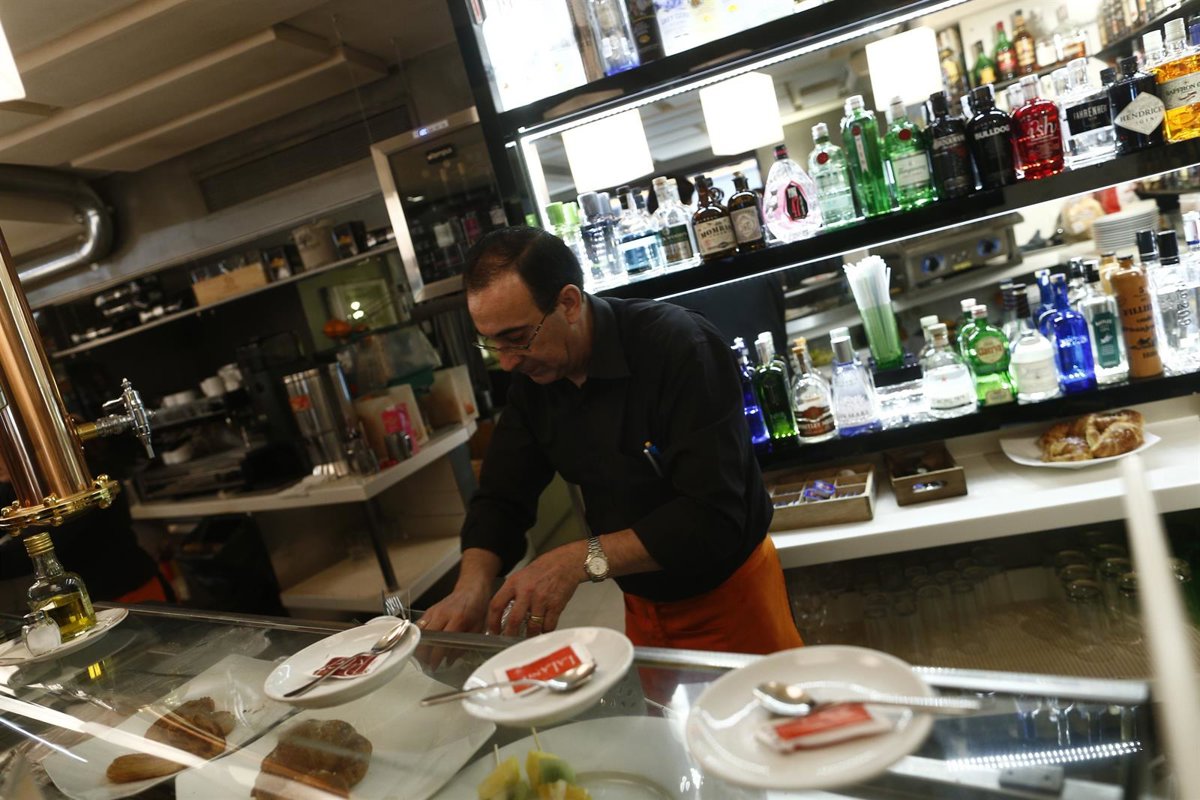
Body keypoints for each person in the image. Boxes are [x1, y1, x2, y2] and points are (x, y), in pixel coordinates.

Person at [418, 226, 802, 654]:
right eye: (491, 344)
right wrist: (470, 588)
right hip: (642, 608)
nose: (507, 362)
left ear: (568, 303)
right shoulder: (535, 381)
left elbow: (712, 516)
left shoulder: (679, 346)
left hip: (733, 597)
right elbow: (500, 498)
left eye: (516, 338)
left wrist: (577, 560)